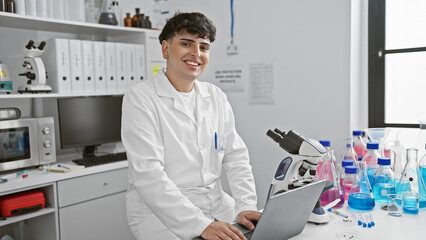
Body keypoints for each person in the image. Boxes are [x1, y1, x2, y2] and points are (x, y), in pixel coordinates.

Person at [121, 12, 260, 240]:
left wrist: (245, 205)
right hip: (161, 215)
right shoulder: (141, 98)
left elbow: (236, 157)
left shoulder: (215, 96)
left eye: (204, 47)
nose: (196, 54)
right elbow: (149, 175)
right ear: (166, 49)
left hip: (216, 203)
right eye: (186, 44)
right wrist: (200, 225)